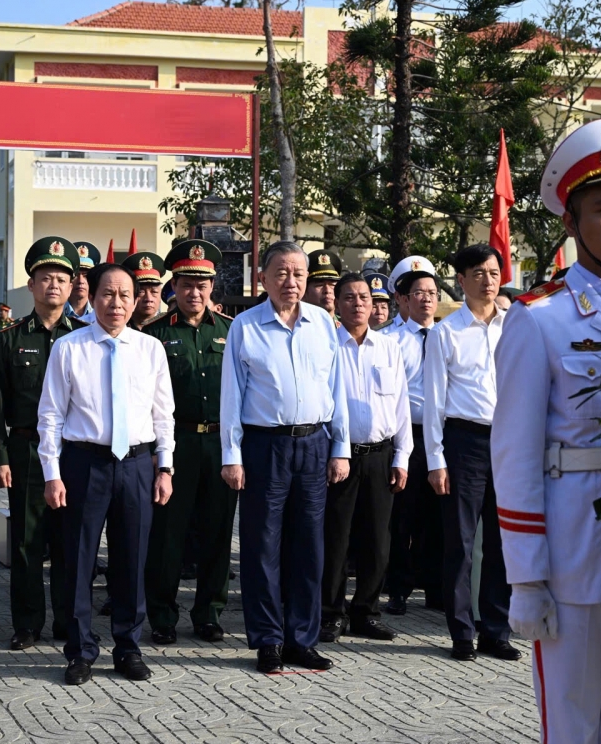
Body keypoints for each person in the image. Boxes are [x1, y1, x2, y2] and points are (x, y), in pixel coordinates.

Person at [493, 117, 601, 743]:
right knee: (572, 721)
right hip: (573, 546)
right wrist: (527, 576)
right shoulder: (540, 319)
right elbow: (514, 453)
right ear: (572, 223)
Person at [39, 261, 175, 686]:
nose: (116, 303)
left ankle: (128, 647)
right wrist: (52, 472)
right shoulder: (69, 347)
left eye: (124, 295)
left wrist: (165, 465)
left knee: (132, 559)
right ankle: (80, 651)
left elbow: (163, 414)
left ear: (136, 300)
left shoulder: (150, 348)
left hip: (136, 464)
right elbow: (50, 415)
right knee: (79, 560)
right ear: (92, 298)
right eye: (107, 294)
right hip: (84, 463)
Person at [221, 241, 350, 674]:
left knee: (309, 547)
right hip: (265, 446)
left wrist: (341, 447)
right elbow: (232, 396)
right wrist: (232, 455)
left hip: (314, 444)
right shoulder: (245, 326)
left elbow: (337, 390)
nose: (290, 281)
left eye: (298, 273)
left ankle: (302, 639)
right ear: (263, 278)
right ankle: (268, 640)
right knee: (262, 547)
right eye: (281, 272)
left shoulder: (323, 324)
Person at [0, 237, 88, 650]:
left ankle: (68, 620)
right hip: (27, 452)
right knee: (28, 543)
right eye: (45, 277)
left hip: (75, 452)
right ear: (31, 285)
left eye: (61, 279)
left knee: (71, 540)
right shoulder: (10, 338)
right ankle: (27, 624)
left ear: (72, 287)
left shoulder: (86, 336)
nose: (53, 285)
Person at [423, 243, 517, 662]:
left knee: (503, 542)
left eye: (494, 271)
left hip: (510, 442)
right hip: (465, 442)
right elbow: (434, 404)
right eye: (478, 272)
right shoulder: (447, 332)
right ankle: (461, 631)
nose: (488, 279)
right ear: (461, 280)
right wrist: (436, 460)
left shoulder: (513, 327)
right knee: (460, 543)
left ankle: (496, 630)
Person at [142, 240, 238, 645]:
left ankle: (209, 613)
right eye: (185, 284)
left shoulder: (232, 332)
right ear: (174, 287)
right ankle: (162, 616)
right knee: (168, 534)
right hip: (176, 442)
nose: (194, 292)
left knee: (217, 532)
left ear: (212, 286)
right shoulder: (154, 335)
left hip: (219, 443)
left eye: (202, 285)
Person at [320, 273, 412, 643]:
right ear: (337, 304)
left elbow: (401, 404)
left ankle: (367, 611)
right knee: (336, 539)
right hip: (340, 457)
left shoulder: (389, 347)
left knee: (377, 539)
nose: (358, 304)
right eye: (350, 297)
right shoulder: (326, 346)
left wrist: (402, 456)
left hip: (380, 454)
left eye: (364, 297)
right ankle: (330, 613)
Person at [384, 256, 443, 615]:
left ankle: (435, 587)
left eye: (432, 292)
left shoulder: (447, 336)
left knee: (437, 516)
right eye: (418, 293)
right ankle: (398, 588)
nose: (426, 299)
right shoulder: (390, 340)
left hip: (441, 436)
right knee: (401, 516)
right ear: (402, 298)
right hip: (404, 438)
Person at [123, 251, 167, 330]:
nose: (148, 299)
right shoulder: (120, 327)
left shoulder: (168, 327)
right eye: (141, 292)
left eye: (154, 292)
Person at [64, 240, 100, 322]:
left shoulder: (100, 313)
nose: (81, 281)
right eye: (76, 275)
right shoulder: (57, 311)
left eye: (86, 276)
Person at [302, 248, 341, 319]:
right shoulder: (297, 327)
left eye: (332, 285)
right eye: (319, 285)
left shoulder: (346, 326)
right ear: (305, 292)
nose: (327, 290)